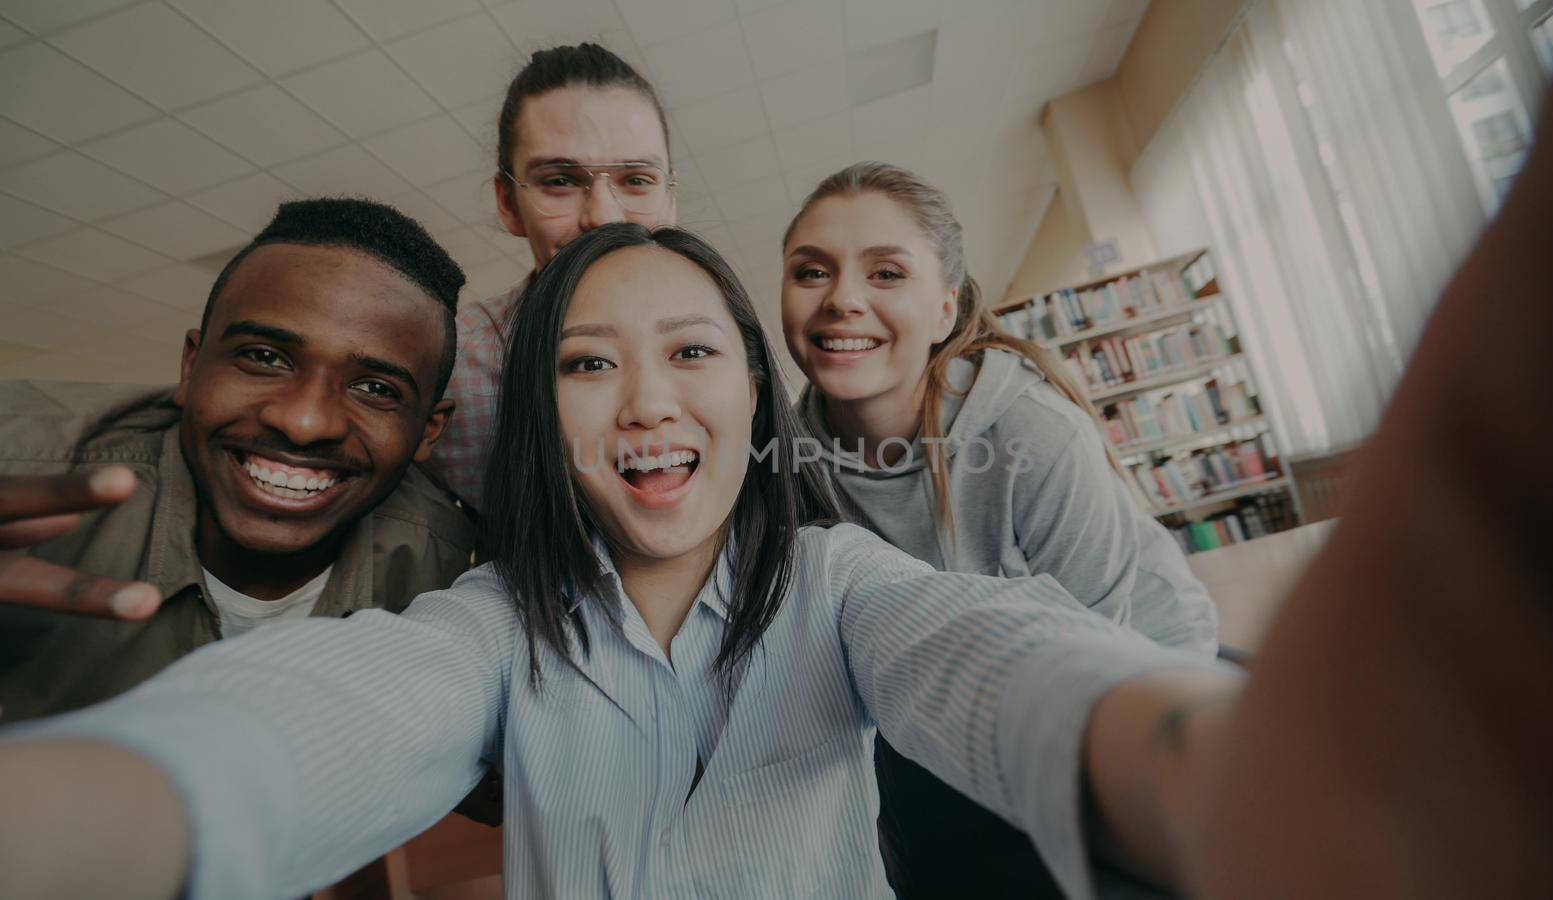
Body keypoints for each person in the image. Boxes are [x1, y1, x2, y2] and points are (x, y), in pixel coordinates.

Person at [0, 223, 1233, 899]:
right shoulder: (487, 623)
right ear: (545, 414)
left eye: (693, 353)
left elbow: (1009, 662)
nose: (645, 402)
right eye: (588, 363)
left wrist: (1211, 764)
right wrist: (68, 815)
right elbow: (313, 723)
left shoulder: (846, 586)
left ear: (758, 394)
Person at [781, 161, 1217, 897]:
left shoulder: (1032, 433)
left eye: (886, 273)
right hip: (947, 716)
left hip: (1131, 682)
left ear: (945, 309)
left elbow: (1094, 668)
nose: (843, 299)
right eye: (811, 271)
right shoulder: (789, 459)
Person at [0, 198, 474, 724]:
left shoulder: (441, 564)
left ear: (428, 430)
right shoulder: (24, 473)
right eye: (264, 357)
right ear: (191, 364)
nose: (304, 422)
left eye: (374, 388)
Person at [429, 42, 678, 510]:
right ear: (508, 202)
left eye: (636, 180)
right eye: (561, 181)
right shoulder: (453, 368)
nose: (603, 217)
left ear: (670, 196)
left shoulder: (735, 342)